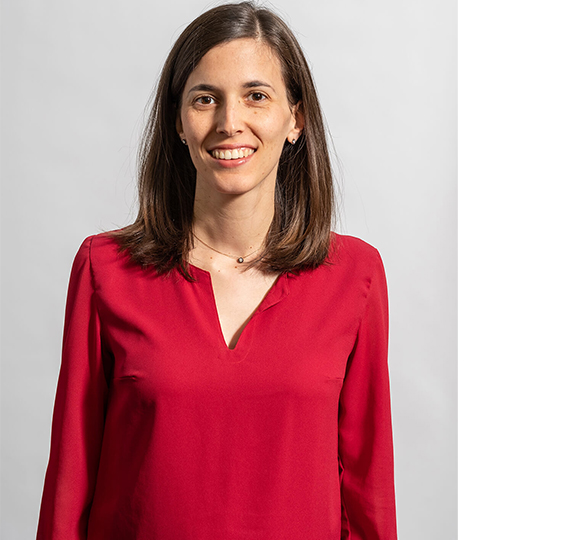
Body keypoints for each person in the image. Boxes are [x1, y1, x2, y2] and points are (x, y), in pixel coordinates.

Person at [36, 3, 397, 539]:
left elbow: (369, 497)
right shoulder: (104, 270)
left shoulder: (355, 277)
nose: (230, 122)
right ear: (178, 122)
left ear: (295, 118)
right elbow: (70, 488)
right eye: (205, 99)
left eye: (257, 96)